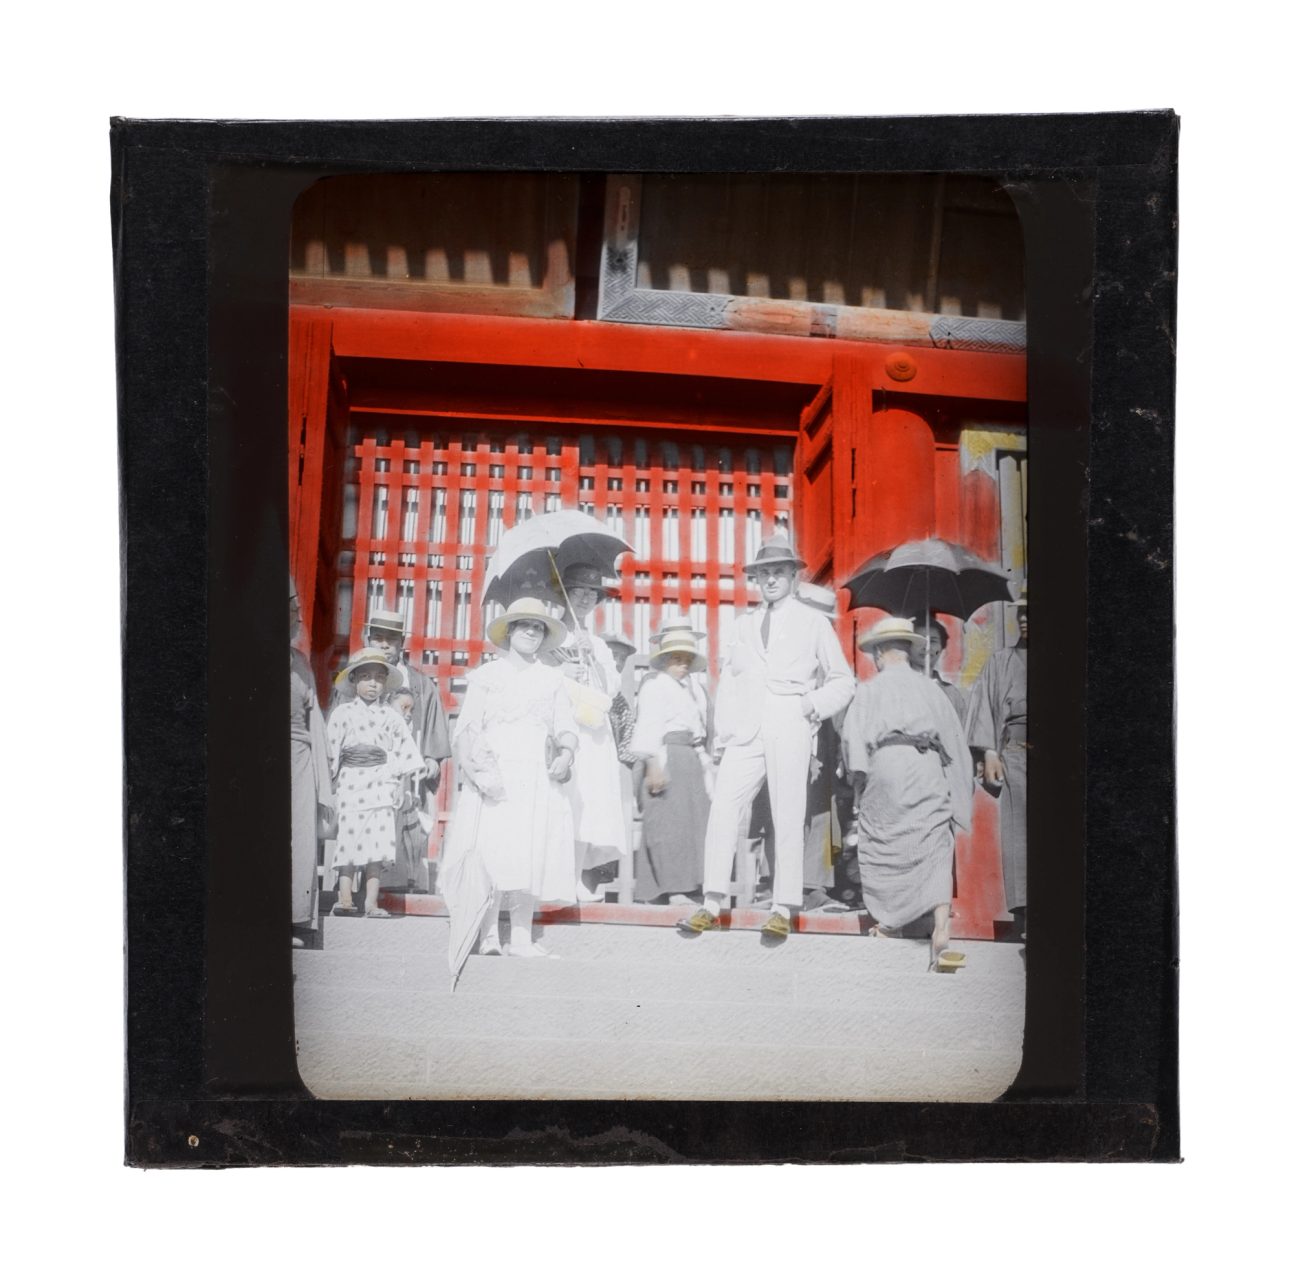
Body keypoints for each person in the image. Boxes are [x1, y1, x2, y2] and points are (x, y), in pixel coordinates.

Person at [680, 534, 855, 941]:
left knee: (787, 812)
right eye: (764, 574)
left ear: (794, 577)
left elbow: (843, 680)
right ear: (756, 579)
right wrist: (722, 737)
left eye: (779, 572)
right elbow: (729, 683)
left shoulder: (812, 623)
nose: (771, 580)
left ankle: (782, 906)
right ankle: (711, 901)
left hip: (789, 721)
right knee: (724, 807)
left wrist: (809, 705)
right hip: (745, 731)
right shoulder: (742, 625)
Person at [440, 598, 578, 959]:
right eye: (525, 626)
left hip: (534, 775)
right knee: (491, 849)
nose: (532, 632)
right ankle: (486, 934)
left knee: (529, 849)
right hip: (495, 773)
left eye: (539, 628)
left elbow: (566, 727)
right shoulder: (487, 676)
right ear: (510, 631)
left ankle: (520, 936)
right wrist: (479, 771)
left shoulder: (552, 679)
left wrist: (565, 753)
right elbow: (467, 728)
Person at [839, 617, 973, 971]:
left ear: (881, 653)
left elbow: (855, 744)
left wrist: (857, 788)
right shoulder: (930, 688)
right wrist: (957, 787)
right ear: (908, 651)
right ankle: (941, 930)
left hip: (888, 765)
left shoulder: (868, 690)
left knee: (885, 839)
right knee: (933, 840)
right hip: (926, 765)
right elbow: (954, 740)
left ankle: (889, 922)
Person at [546, 563, 629, 900]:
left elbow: (611, 689)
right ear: (564, 594)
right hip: (563, 729)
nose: (584, 598)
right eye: (577, 590)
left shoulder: (598, 643)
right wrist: (561, 672)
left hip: (593, 732)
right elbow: (538, 682)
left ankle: (579, 876)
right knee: (562, 800)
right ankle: (555, 876)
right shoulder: (549, 637)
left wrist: (593, 655)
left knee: (588, 801)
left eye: (591, 593)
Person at [325, 648, 426, 919]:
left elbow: (403, 753)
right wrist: (329, 787)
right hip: (350, 782)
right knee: (349, 839)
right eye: (366, 677)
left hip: (381, 783)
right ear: (354, 679)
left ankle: (371, 902)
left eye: (379, 678)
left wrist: (398, 783)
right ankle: (344, 898)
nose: (373, 684)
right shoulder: (342, 713)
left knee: (376, 845)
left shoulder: (391, 717)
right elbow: (331, 752)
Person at [628, 627, 712, 904]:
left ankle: (689, 886)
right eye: (675, 659)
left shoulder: (694, 689)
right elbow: (649, 726)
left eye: (687, 659)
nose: (682, 665)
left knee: (692, 823)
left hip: (690, 757)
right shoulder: (655, 685)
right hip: (665, 755)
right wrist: (653, 764)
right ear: (664, 660)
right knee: (666, 823)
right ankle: (671, 888)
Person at [335, 606, 452, 804]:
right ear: (368, 639)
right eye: (378, 638)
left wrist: (432, 759)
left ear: (402, 642)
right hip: (360, 771)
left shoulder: (421, 684)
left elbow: (433, 732)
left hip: (405, 771)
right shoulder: (352, 680)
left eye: (392, 639)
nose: (384, 645)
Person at [965, 591, 1028, 935]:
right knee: (1020, 834)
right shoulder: (1001, 661)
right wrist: (989, 751)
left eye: (1032, 612)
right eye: (1021, 613)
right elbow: (985, 710)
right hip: (1016, 755)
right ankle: (1026, 915)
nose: (1024, 618)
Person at [290, 580, 333, 947]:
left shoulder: (301, 663)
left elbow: (314, 720)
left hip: (300, 760)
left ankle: (294, 921)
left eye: (296, 613)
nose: (297, 620)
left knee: (299, 837)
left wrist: (324, 781)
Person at [913, 616, 969, 725]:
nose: (927, 647)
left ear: (942, 646)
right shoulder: (898, 687)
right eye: (919, 640)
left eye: (933, 641)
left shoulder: (951, 693)